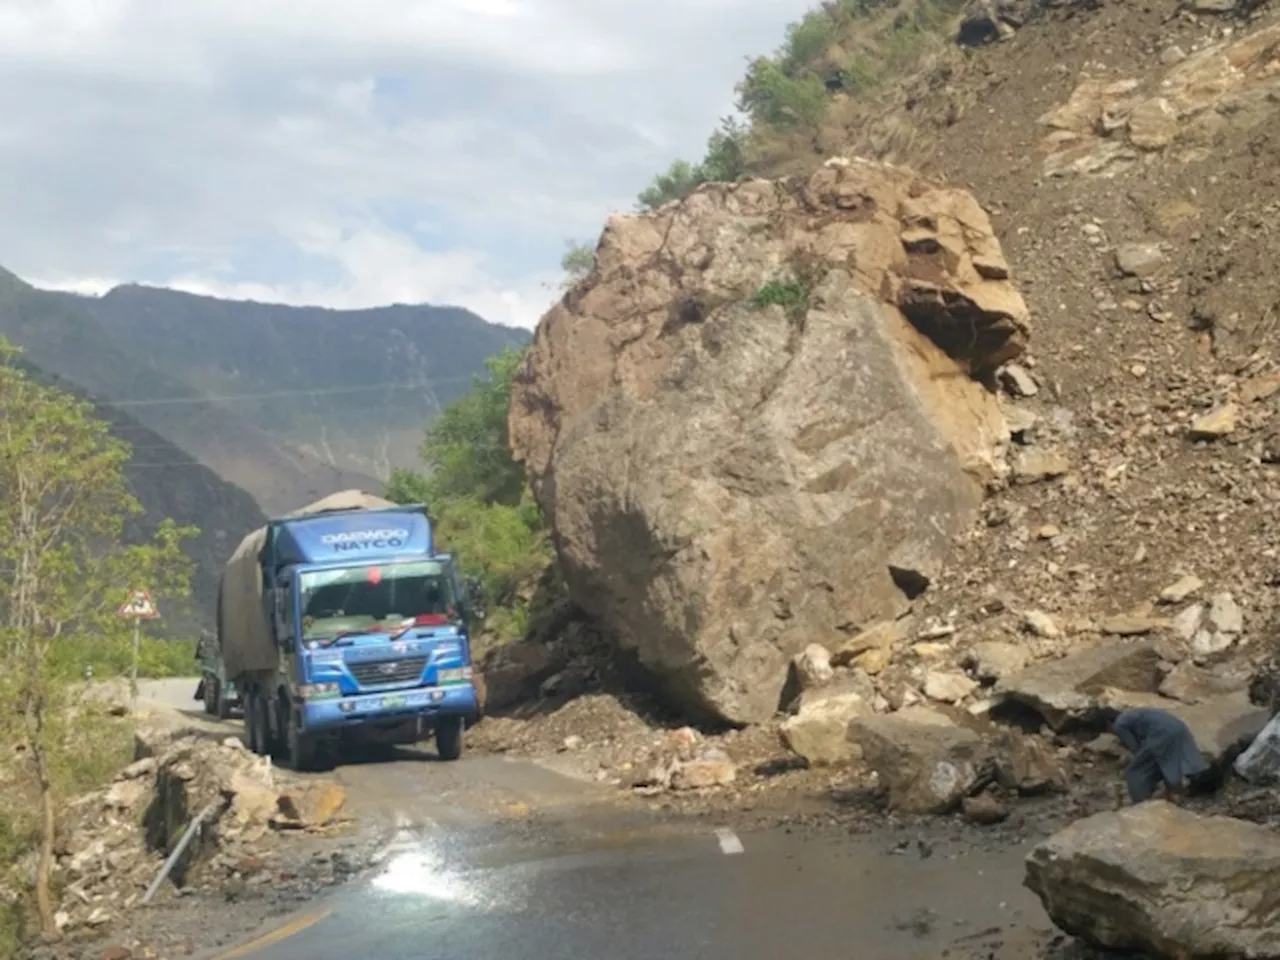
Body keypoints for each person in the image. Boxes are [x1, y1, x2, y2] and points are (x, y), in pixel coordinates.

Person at [1100, 706, 1210, 804]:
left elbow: (1136, 749)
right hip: (1178, 728)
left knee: (1134, 772)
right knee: (1167, 762)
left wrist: (1127, 759)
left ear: (1108, 723)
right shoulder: (1131, 713)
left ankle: (1141, 805)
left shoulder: (1119, 724)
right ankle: (1171, 795)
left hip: (1161, 735)